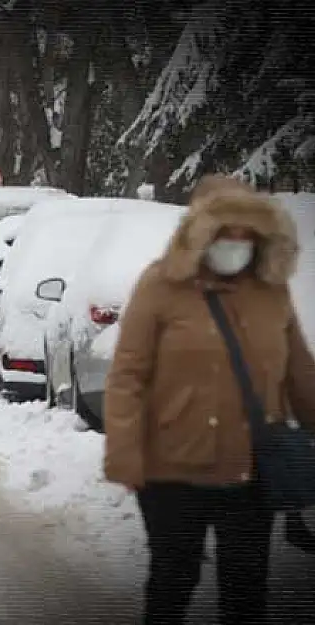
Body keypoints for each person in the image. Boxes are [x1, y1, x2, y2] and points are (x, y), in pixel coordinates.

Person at [103, 174, 315, 625]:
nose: (236, 241)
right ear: (201, 231)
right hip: (171, 471)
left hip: (250, 472)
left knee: (246, 592)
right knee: (172, 583)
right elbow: (127, 375)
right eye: (225, 231)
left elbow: (300, 373)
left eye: (246, 231)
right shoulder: (161, 284)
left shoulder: (271, 289)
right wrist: (124, 454)